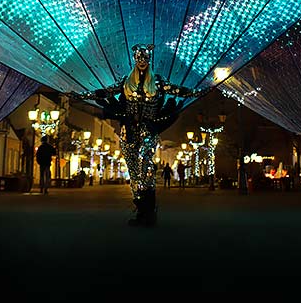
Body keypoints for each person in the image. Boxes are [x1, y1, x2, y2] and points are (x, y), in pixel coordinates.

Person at [69, 44, 203, 226]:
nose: (142, 62)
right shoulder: (126, 81)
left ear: (149, 60)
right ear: (135, 60)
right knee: (134, 175)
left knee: (145, 167)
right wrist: (82, 96)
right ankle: (142, 211)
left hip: (148, 131)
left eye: (145, 59)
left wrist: (196, 92)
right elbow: (106, 92)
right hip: (128, 133)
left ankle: (149, 209)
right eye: (139, 58)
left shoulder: (157, 82)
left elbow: (176, 90)